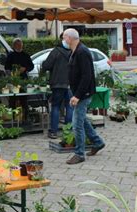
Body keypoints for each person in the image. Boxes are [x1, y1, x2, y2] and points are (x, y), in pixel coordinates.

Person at [63, 28, 105, 165]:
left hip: (83, 94)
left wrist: (78, 96)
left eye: (64, 37)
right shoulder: (75, 51)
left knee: (77, 124)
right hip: (78, 93)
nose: (63, 40)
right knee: (82, 120)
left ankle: (79, 154)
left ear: (70, 38)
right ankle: (98, 142)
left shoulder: (82, 52)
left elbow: (86, 76)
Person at [41, 33, 73, 139]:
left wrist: (44, 64)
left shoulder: (55, 51)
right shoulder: (73, 52)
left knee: (55, 107)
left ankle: (54, 131)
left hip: (57, 84)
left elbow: (46, 65)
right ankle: (68, 131)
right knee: (69, 107)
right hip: (70, 84)